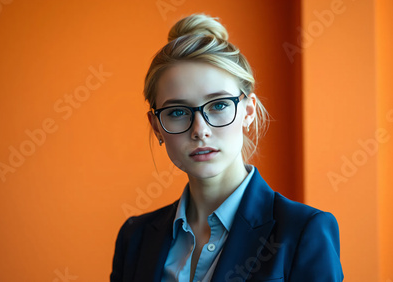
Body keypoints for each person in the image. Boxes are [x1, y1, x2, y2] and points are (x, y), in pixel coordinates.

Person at [110, 13, 343, 282]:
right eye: (177, 112)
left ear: (248, 111)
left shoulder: (303, 231)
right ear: (156, 126)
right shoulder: (134, 237)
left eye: (219, 105)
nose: (200, 130)